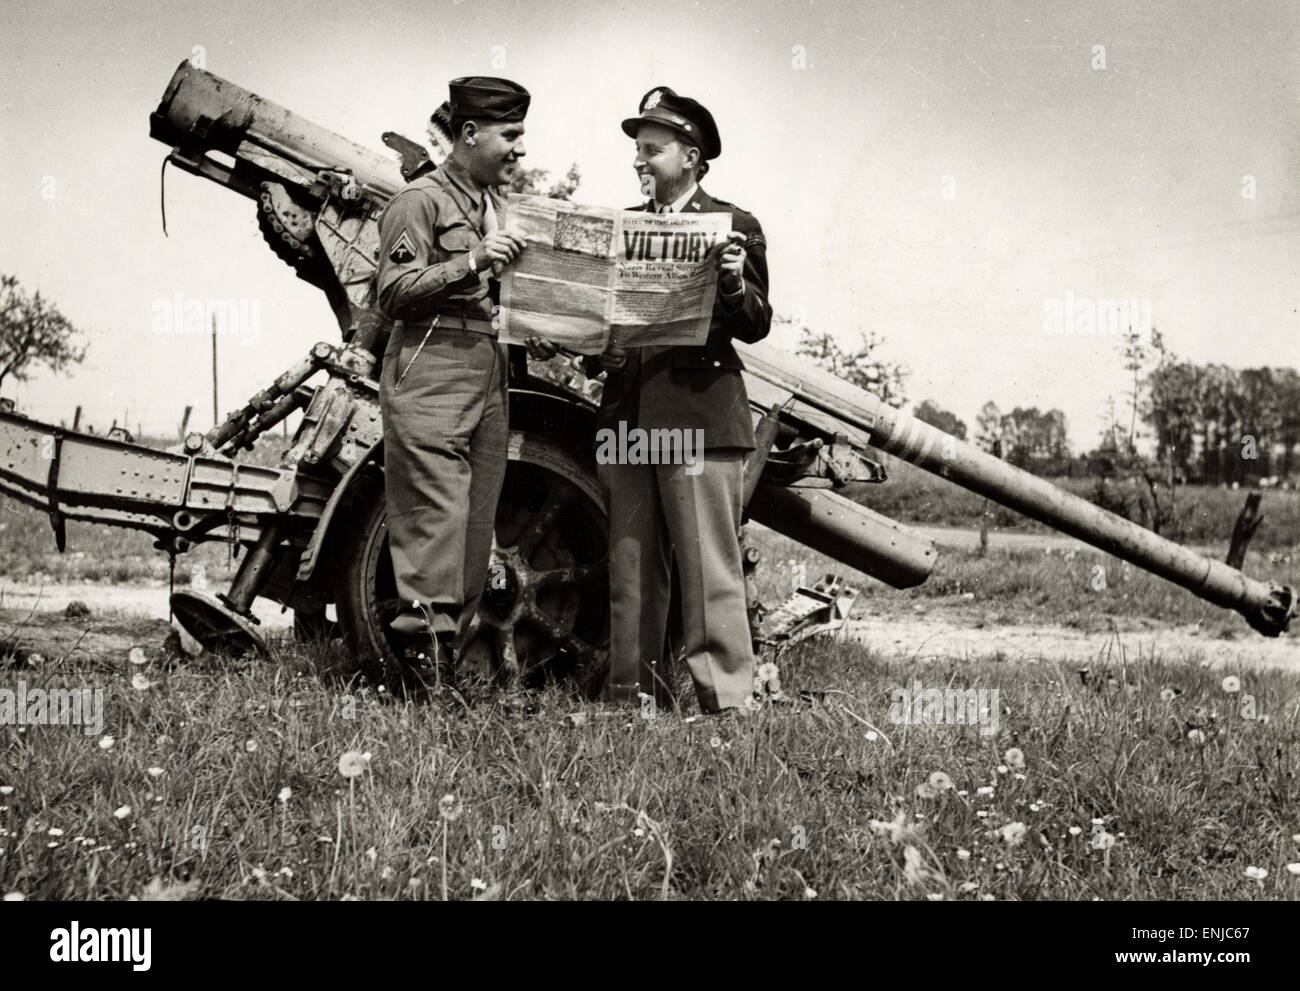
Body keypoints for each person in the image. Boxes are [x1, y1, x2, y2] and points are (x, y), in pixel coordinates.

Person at [533, 85, 772, 714]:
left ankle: (727, 704)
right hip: (627, 415)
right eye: (637, 150)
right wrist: (592, 348)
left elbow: (756, 323)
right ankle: (632, 699)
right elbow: (600, 324)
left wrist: (731, 283)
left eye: (651, 150)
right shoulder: (622, 227)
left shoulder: (735, 226)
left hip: (697, 416)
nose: (639, 161)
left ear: (691, 157)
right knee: (631, 565)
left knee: (707, 566)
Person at [375, 76, 530, 687]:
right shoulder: (419, 201)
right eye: (510, 135)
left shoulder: (496, 208)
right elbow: (392, 294)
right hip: (431, 365)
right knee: (434, 524)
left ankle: (451, 666)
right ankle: (422, 675)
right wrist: (472, 261)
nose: (520, 148)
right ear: (469, 134)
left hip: (488, 368)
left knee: (472, 527)